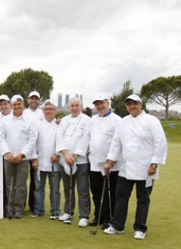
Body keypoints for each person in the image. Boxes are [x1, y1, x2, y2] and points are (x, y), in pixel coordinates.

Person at [103, 94, 167, 240]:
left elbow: (160, 142)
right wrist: (110, 160)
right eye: (129, 104)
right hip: (126, 168)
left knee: (143, 198)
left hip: (146, 169)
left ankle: (140, 228)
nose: (132, 106)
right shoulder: (123, 122)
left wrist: (154, 163)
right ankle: (117, 225)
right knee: (121, 197)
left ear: (141, 104)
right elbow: (116, 143)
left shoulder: (152, 121)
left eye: (135, 103)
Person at [0, 95, 38, 219]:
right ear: (11, 105)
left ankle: (18, 210)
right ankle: (9, 209)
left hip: (23, 158)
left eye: (19, 104)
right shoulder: (4, 121)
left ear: (23, 104)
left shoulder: (29, 120)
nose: (17, 106)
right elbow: (1, 138)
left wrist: (22, 154)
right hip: (8, 158)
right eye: (14, 104)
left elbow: (32, 139)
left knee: (20, 185)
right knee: (9, 184)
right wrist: (7, 153)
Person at [88, 94, 121, 229]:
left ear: (108, 103)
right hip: (95, 162)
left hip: (111, 164)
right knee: (96, 191)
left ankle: (109, 218)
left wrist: (111, 160)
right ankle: (99, 215)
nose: (100, 106)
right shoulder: (93, 120)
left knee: (110, 192)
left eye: (102, 103)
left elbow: (118, 142)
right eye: (97, 104)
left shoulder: (117, 120)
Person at [56, 97, 91, 227]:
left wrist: (75, 155)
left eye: (77, 105)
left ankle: (84, 215)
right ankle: (68, 211)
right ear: (69, 107)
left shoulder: (87, 120)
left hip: (80, 160)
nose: (75, 108)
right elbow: (59, 136)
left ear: (80, 107)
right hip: (65, 159)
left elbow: (86, 138)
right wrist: (65, 154)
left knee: (82, 188)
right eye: (72, 106)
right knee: (67, 188)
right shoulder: (64, 120)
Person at [31, 100, 61, 218]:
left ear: (55, 111)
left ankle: (55, 211)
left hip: (55, 162)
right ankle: (38, 210)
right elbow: (33, 143)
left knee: (55, 189)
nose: (48, 111)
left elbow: (62, 143)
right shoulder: (37, 125)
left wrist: (57, 154)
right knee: (38, 188)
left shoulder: (59, 125)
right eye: (46, 109)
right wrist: (34, 159)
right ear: (43, 111)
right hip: (40, 162)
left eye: (51, 109)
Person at [23, 91, 45, 216]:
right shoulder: (24, 113)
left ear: (39, 100)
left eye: (36, 98)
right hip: (25, 151)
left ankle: (34, 206)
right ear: (28, 100)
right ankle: (22, 204)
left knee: (36, 181)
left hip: (38, 152)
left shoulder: (43, 113)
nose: (34, 100)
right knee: (23, 180)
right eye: (32, 98)